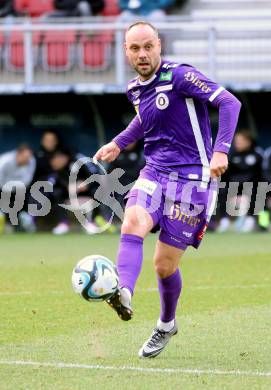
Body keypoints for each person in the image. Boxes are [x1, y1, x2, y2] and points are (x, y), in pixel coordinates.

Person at [93, 21, 241, 358]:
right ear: (126, 51)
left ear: (159, 45)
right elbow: (145, 119)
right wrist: (119, 142)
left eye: (148, 46)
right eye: (135, 48)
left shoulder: (180, 76)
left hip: (192, 181)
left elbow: (230, 103)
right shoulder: (134, 88)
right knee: (132, 222)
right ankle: (123, 292)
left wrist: (221, 150)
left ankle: (166, 323)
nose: (142, 54)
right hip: (155, 171)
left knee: (163, 266)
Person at [217, 129, 263, 233]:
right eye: (237, 141)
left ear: (248, 141)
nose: (238, 144)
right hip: (233, 188)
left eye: (241, 141)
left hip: (251, 187)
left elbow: (257, 176)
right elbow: (225, 175)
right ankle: (224, 221)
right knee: (222, 190)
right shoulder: (230, 155)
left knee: (257, 190)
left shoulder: (257, 154)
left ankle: (250, 220)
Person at [0, 144, 36, 233]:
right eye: (25, 157)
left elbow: (27, 179)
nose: (28, 159)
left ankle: (23, 223)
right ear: (18, 154)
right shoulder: (5, 161)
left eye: (29, 157)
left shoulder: (31, 160)